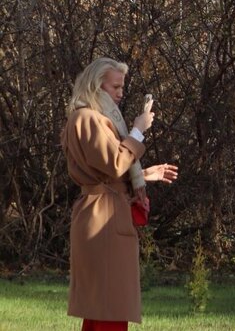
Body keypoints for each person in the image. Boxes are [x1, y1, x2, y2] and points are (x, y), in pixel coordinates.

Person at [63, 57, 178, 331]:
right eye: (115, 86)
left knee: (103, 308)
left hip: (105, 213)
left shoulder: (93, 118)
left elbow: (105, 172)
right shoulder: (88, 118)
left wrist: (144, 174)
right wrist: (138, 130)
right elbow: (115, 163)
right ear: (96, 85)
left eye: (122, 87)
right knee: (109, 307)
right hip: (103, 218)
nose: (120, 93)